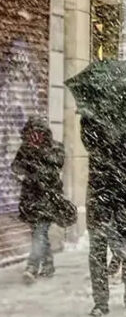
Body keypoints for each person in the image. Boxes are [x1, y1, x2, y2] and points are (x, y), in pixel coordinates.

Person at [82, 114, 126, 317]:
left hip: (125, 192)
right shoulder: (91, 117)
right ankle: (100, 300)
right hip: (100, 192)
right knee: (97, 247)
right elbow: (88, 143)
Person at [14, 117, 66, 284]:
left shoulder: (55, 148)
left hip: (48, 199)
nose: (35, 137)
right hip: (30, 199)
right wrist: (23, 166)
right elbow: (16, 166)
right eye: (31, 133)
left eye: (38, 133)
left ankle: (32, 266)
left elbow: (55, 167)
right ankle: (48, 264)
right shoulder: (25, 149)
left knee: (39, 233)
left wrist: (38, 161)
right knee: (39, 234)